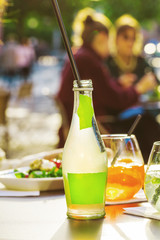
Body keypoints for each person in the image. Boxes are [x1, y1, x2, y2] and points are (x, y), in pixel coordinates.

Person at [56, 13, 157, 161]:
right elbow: (115, 100)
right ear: (101, 38)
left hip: (84, 122)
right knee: (146, 125)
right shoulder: (90, 61)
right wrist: (139, 89)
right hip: (95, 126)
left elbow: (103, 91)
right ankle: (151, 165)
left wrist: (118, 84)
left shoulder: (82, 56)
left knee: (144, 123)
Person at [106, 14, 157, 88]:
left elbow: (155, 81)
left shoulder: (140, 61)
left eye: (133, 38)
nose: (130, 43)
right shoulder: (108, 62)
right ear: (116, 38)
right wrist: (119, 83)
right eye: (125, 37)